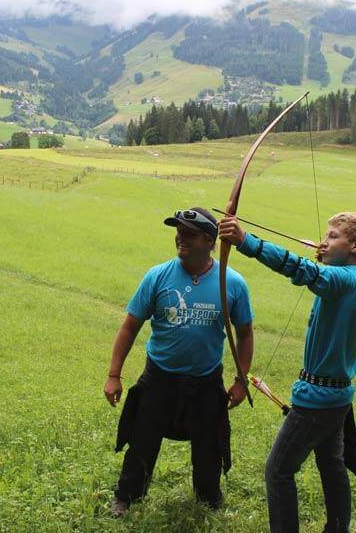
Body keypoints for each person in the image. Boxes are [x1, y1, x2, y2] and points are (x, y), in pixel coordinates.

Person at [218, 211, 356, 533]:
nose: (324, 242)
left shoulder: (342, 281)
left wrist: (244, 241)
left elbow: (299, 268)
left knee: (278, 470)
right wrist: (332, 256)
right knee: (331, 465)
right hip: (338, 396)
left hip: (317, 400)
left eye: (333, 236)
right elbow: (346, 272)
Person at [104, 207, 254, 515]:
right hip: (159, 376)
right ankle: (127, 496)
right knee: (142, 439)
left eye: (189, 234)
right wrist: (114, 374)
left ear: (210, 241)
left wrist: (241, 381)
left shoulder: (232, 283)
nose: (180, 238)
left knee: (209, 445)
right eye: (179, 232)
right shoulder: (157, 276)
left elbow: (245, 334)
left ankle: (209, 499)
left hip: (206, 380)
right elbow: (130, 326)